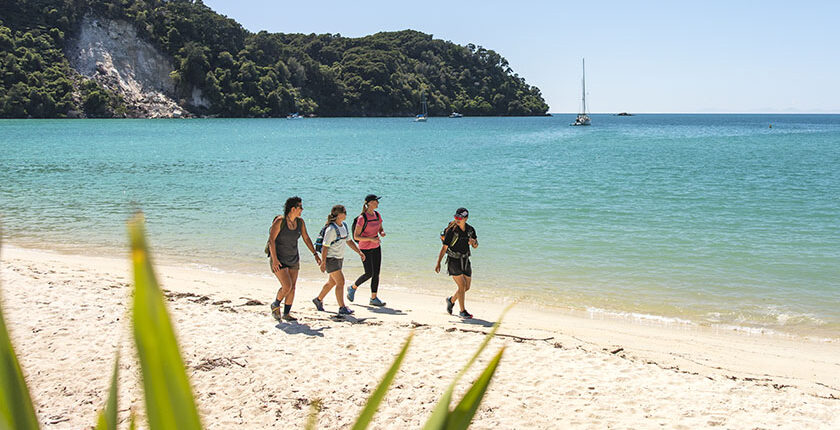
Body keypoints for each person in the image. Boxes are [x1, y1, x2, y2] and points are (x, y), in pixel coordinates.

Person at [268, 196, 320, 321]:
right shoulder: (280, 221)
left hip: (293, 258)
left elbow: (306, 238)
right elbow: (271, 241)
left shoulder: (300, 222)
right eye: (300, 207)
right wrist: (274, 259)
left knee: (293, 287)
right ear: (293, 209)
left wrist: (315, 254)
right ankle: (275, 304)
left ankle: (286, 313)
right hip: (279, 258)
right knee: (287, 286)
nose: (302, 209)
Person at [312, 205, 365, 315]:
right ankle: (342, 307)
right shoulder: (331, 229)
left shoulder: (344, 226)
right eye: (344, 212)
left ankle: (318, 299)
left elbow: (349, 241)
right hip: (331, 259)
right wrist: (323, 262)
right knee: (340, 281)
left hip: (339, 258)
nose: (346, 214)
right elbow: (325, 246)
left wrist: (359, 252)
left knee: (332, 282)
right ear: (339, 214)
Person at [435, 207, 478, 319]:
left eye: (460, 217)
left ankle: (451, 300)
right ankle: (462, 311)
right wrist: (438, 262)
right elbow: (444, 248)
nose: (457, 219)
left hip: (465, 260)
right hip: (453, 260)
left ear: (466, 218)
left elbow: (476, 246)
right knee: (462, 285)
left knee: (466, 287)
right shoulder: (451, 231)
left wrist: (473, 243)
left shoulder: (470, 230)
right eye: (456, 217)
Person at [347, 194, 386, 306]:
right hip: (365, 248)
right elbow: (356, 236)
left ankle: (373, 298)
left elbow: (380, 228)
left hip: (376, 247)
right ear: (369, 203)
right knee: (369, 273)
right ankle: (352, 287)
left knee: (376, 273)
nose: (377, 203)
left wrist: (381, 232)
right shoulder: (362, 218)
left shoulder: (377, 215)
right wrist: (370, 239)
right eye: (376, 201)